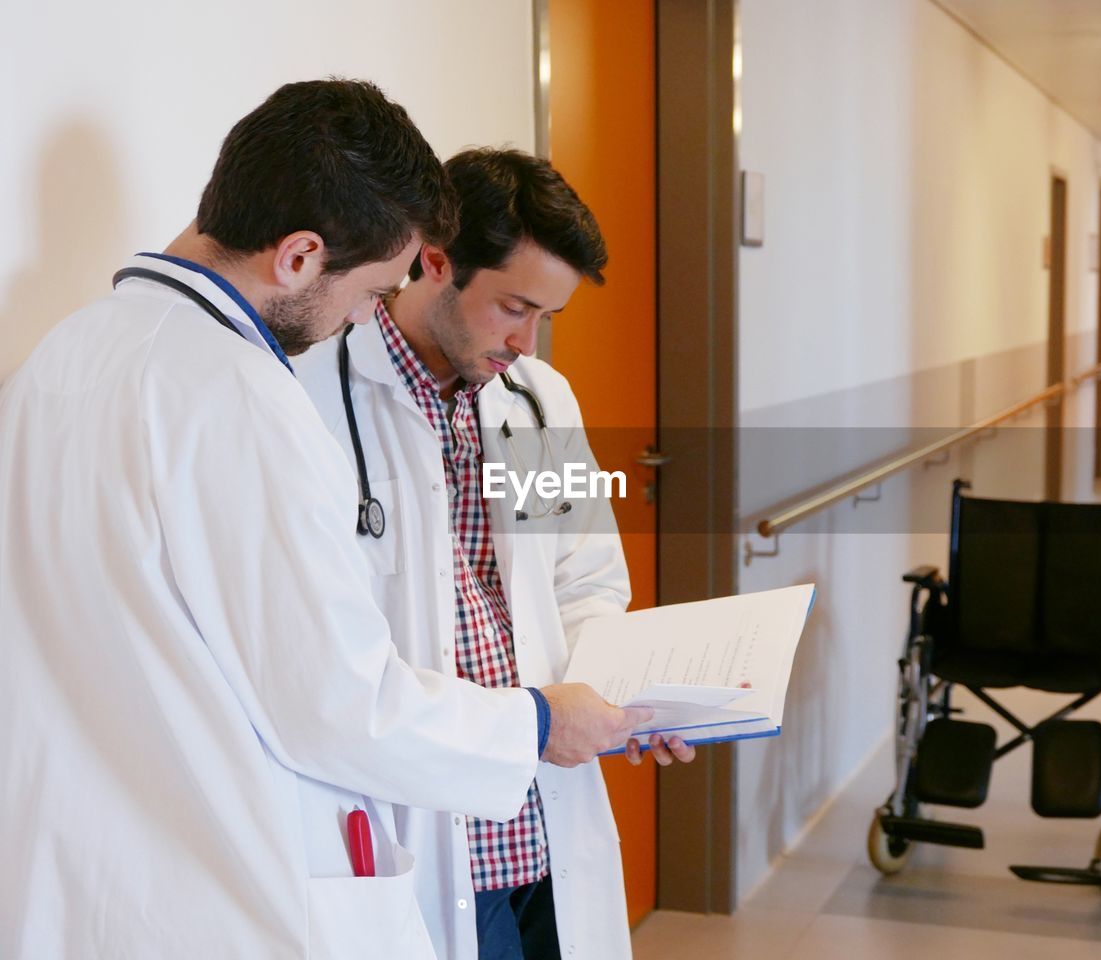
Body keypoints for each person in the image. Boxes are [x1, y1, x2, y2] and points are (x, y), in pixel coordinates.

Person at [0, 80, 648, 960]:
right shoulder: (257, 395)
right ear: (303, 256)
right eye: (370, 288)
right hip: (262, 868)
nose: (360, 312)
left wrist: (611, 700)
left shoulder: (55, 361)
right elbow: (336, 700)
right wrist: (535, 723)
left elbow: (586, 577)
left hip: (89, 882)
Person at [294, 147, 695, 960]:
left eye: (546, 317)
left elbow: (587, 579)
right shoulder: (311, 395)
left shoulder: (539, 399)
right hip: (419, 824)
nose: (529, 340)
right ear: (435, 262)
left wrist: (622, 706)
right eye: (514, 307)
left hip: (542, 821)